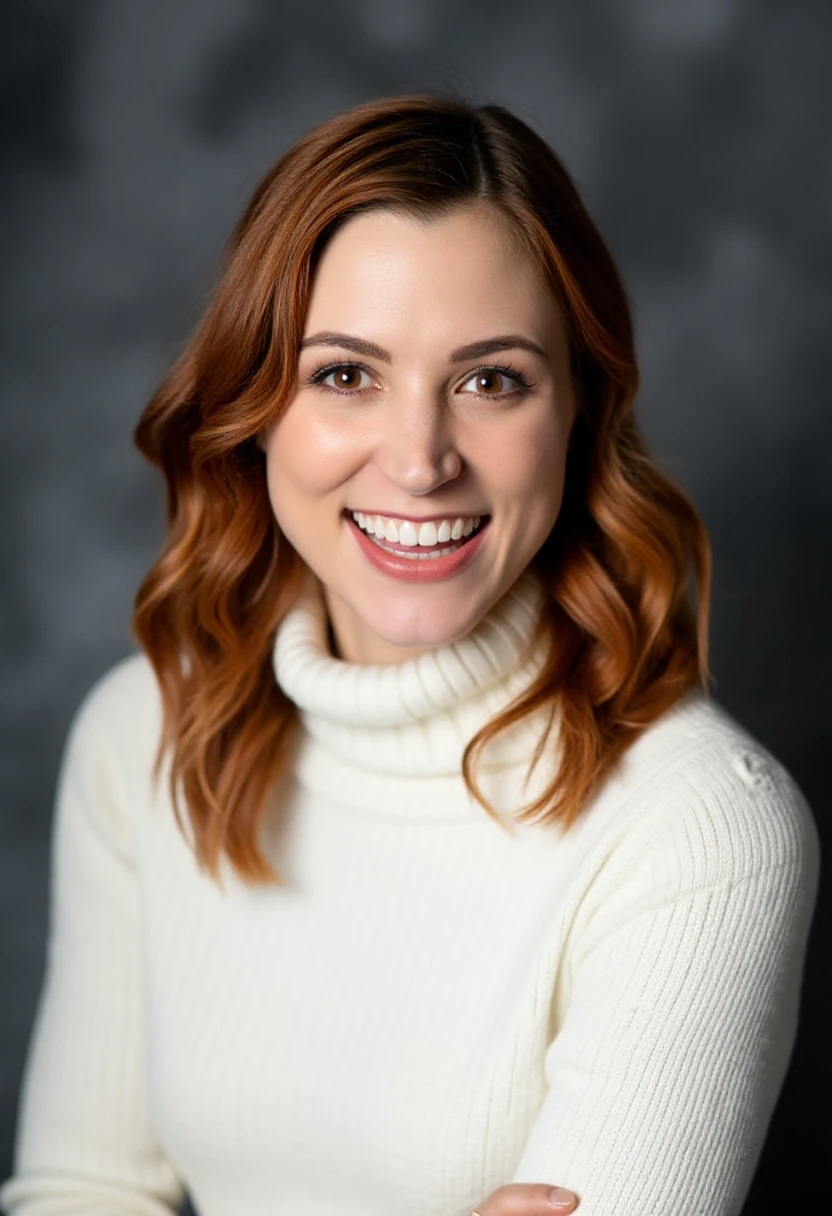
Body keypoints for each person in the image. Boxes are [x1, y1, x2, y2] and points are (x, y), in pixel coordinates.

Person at [0, 94, 819, 1216]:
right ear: (255, 407)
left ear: (578, 408)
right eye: (346, 375)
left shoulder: (701, 828)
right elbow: (77, 1190)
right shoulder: (143, 730)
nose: (421, 460)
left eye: (492, 380)